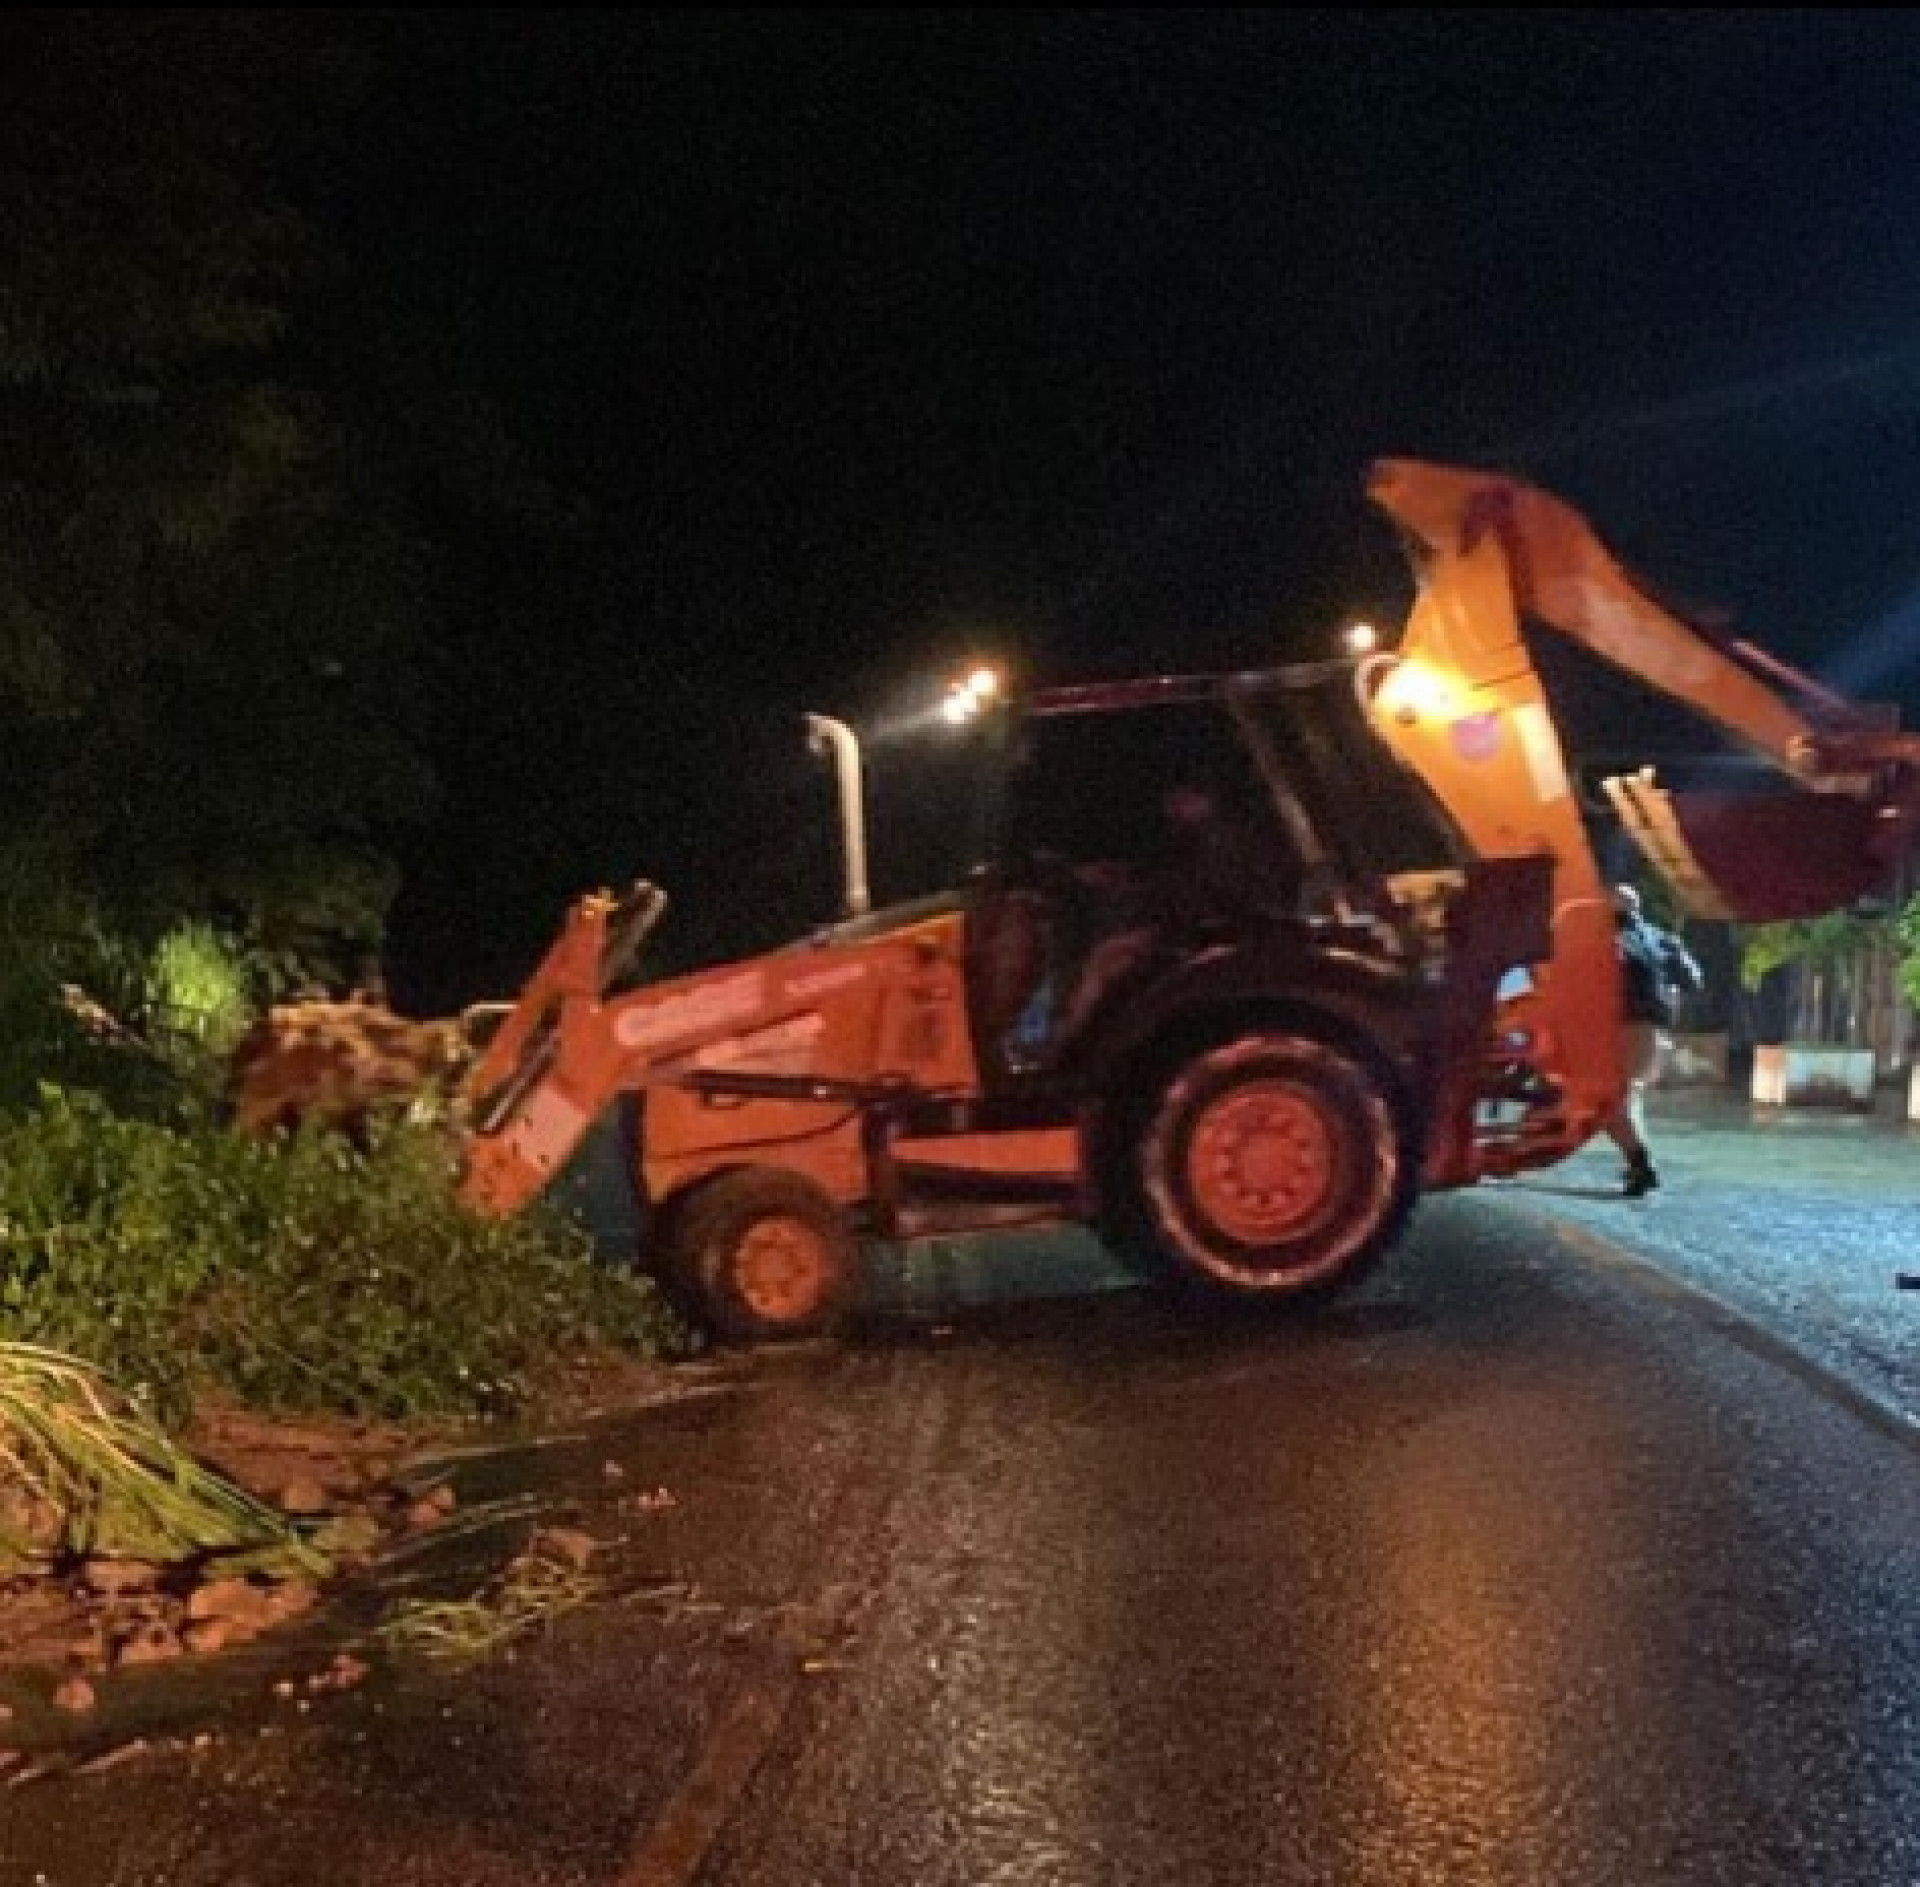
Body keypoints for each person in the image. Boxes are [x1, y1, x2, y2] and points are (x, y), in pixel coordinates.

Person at [1602, 882, 1704, 1197]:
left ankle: (1640, 1164)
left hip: (1624, 1029)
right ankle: (1636, 1164)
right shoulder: (1661, 938)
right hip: (1654, 1035)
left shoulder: (1607, 938)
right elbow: (1693, 979)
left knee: (1605, 1102)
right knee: (1629, 1100)